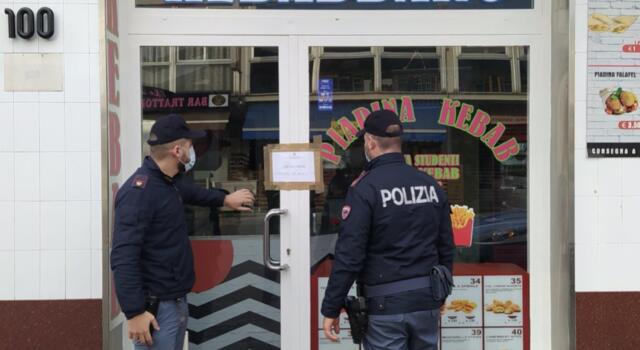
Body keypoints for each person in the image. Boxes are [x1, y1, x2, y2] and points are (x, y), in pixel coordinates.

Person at [110, 114, 255, 350]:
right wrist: (134, 312)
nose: (193, 150)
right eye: (190, 145)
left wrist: (225, 199)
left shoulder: (169, 182)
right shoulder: (139, 193)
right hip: (155, 310)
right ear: (177, 151)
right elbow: (123, 256)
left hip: (175, 301)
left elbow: (194, 194)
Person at [321, 110, 455, 350]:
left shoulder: (365, 189)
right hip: (426, 302)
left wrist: (332, 306)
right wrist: (442, 293)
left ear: (370, 142)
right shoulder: (430, 185)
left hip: (385, 307)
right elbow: (445, 245)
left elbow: (350, 255)